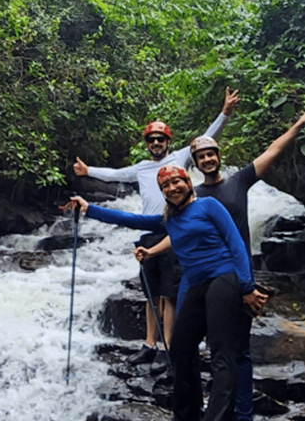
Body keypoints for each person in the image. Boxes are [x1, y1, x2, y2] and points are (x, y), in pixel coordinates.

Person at [136, 101, 305, 421]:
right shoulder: (191, 197)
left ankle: (243, 420)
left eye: (211, 154)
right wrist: (151, 250)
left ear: (218, 156)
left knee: (237, 350)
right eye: (200, 156)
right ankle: (200, 418)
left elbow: (273, 150)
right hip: (199, 278)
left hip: (236, 275)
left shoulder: (239, 183)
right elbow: (178, 233)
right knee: (192, 348)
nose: (207, 159)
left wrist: (299, 124)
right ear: (194, 165)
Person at [69, 165, 268, 421]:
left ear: (188, 183)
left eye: (177, 182)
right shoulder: (169, 219)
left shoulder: (208, 205)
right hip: (198, 283)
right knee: (180, 348)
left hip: (225, 279)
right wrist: (90, 209)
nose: (172, 188)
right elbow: (132, 220)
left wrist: (247, 286)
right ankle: (187, 420)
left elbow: (236, 242)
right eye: (166, 185)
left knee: (222, 356)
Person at [73, 87, 240, 372]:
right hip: (149, 230)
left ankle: (169, 347)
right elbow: (115, 175)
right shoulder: (140, 168)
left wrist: (225, 112)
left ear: (167, 141)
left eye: (160, 139)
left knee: (170, 293)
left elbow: (206, 139)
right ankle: (149, 345)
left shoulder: (179, 159)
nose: (156, 143)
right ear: (147, 143)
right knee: (151, 292)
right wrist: (88, 171)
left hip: (175, 228)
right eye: (151, 139)